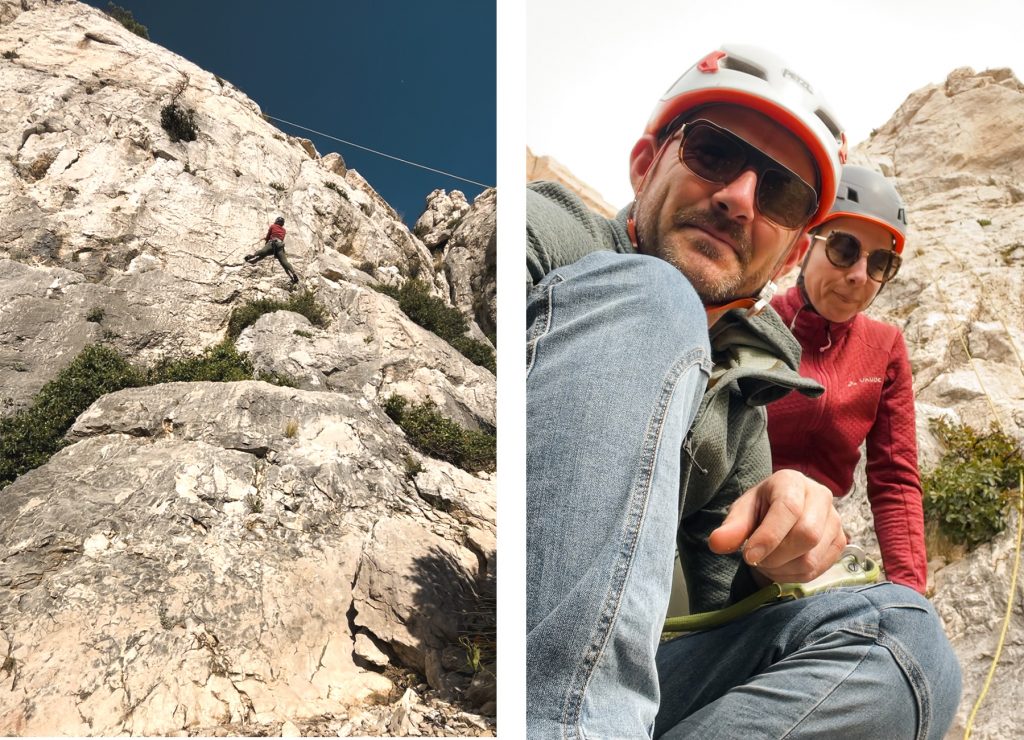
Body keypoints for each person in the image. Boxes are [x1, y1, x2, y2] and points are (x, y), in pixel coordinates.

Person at [527, 44, 960, 739]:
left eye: (780, 195)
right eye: (713, 152)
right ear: (644, 164)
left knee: (909, 644)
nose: (739, 198)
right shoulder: (561, 237)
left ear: (787, 250)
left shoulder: (746, 385)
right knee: (658, 294)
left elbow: (891, 476)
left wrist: (775, 545)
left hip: (669, 644)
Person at [767, 165, 927, 593]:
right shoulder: (754, 322)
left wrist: (910, 594)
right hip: (726, 530)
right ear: (806, 245)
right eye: (843, 248)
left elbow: (894, 478)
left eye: (880, 263)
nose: (859, 274)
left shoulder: (885, 347)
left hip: (816, 549)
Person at [245, 216, 299, 285]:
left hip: (272, 243)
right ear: (282, 223)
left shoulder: (273, 226)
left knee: (263, 252)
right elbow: (281, 238)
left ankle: (253, 256)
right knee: (284, 262)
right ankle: (293, 273)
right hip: (280, 246)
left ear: (276, 221)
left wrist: (266, 240)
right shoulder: (284, 230)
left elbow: (268, 235)